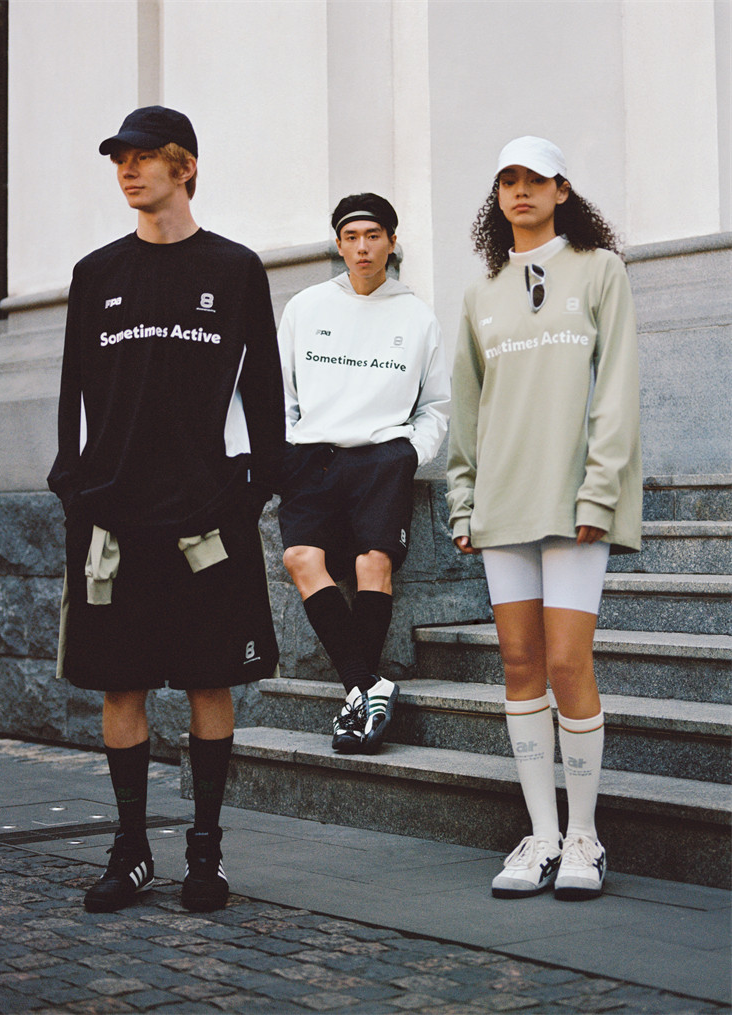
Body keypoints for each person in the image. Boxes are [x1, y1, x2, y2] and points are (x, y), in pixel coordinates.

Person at [47, 106, 284, 914]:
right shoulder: (95, 274)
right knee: (122, 687)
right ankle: (130, 849)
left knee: (210, 681)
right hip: (113, 520)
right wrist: (74, 487)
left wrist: (252, 488)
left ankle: (205, 855)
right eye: (120, 157)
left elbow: (263, 389)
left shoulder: (236, 269)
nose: (127, 169)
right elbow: (73, 394)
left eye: (145, 157)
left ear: (185, 168)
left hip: (205, 521)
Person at [447, 137, 641, 901]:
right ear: (496, 196)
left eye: (536, 178)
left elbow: (616, 387)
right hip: (502, 500)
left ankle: (585, 834)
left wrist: (600, 490)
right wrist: (463, 499)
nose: (521, 190)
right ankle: (543, 835)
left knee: (566, 661)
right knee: (520, 661)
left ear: (562, 189)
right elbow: (467, 406)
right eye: (508, 180)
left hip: (575, 500)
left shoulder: (600, 270)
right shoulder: (480, 292)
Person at [277, 193, 450, 754]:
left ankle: (357, 703)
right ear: (338, 244)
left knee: (372, 563)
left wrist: (409, 454)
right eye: (351, 237)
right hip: (313, 457)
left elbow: (436, 405)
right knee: (301, 558)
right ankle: (366, 688)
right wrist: (287, 450)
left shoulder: (417, 316)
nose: (362, 248)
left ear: (392, 242)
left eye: (373, 235)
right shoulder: (306, 306)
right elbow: (281, 390)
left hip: (381, 458)